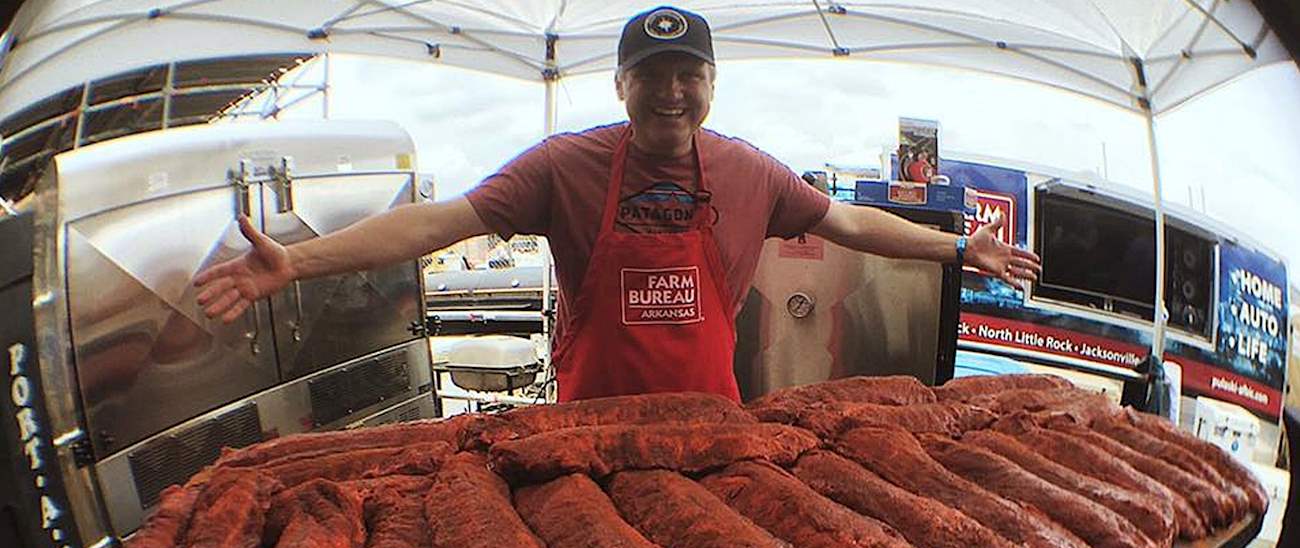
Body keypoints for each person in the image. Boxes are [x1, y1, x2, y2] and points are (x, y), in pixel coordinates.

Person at [195, 5, 1041, 403]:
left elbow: (852, 223)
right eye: (651, 77)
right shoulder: (565, 167)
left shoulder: (749, 172)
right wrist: (296, 261)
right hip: (584, 428)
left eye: (689, 76)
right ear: (622, 84)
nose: (671, 94)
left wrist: (962, 251)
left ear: (710, 82)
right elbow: (438, 221)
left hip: (712, 426)